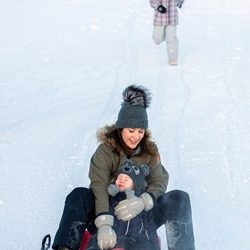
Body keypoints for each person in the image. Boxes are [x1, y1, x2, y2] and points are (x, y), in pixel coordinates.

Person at [52, 84, 195, 250]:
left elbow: (159, 180)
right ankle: (65, 247)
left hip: (141, 216)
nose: (136, 137)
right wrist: (104, 223)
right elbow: (98, 185)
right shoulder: (106, 150)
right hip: (108, 210)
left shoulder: (149, 150)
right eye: (131, 130)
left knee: (179, 198)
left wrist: (144, 201)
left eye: (140, 131)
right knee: (79, 195)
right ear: (121, 128)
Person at [86, 159, 160, 250]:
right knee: (95, 240)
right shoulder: (109, 198)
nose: (121, 181)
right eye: (119, 178)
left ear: (135, 185)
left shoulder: (140, 205)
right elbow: (97, 218)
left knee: (145, 244)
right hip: (111, 239)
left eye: (126, 179)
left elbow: (150, 229)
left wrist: (154, 245)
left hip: (134, 242)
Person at [150, 0, 184, 65]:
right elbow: (152, 1)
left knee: (171, 38)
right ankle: (164, 36)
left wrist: (180, 2)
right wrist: (158, 6)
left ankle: (172, 59)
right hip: (160, 18)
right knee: (157, 39)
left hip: (172, 17)